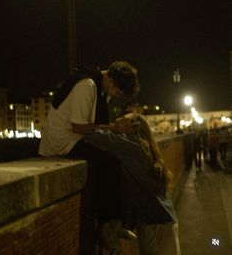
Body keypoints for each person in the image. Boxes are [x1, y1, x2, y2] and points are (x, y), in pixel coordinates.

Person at [38, 61, 140, 254]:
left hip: (72, 139)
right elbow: (78, 126)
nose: (116, 96)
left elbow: (94, 125)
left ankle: (118, 221)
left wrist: (116, 130)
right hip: (62, 142)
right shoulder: (87, 85)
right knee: (111, 158)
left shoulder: (97, 87)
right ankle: (108, 225)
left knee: (119, 152)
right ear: (110, 79)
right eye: (117, 91)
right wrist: (114, 128)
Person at [84, 113, 181, 255]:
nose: (118, 119)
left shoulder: (132, 147)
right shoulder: (142, 145)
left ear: (132, 127)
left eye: (123, 120)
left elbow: (92, 135)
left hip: (155, 221)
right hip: (162, 218)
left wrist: (112, 127)